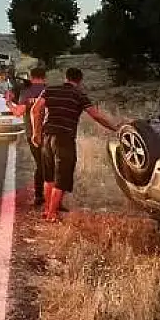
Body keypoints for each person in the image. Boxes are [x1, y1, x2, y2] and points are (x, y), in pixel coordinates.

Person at [30, 67, 120, 221]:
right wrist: (115, 128)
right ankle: (52, 214)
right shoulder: (79, 94)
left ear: (65, 78)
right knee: (62, 176)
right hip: (64, 139)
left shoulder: (50, 90)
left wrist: (36, 133)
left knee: (49, 176)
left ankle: (47, 210)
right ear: (79, 81)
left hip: (47, 136)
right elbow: (96, 115)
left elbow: (35, 110)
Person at [9, 67, 48, 207]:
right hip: (50, 133)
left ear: (31, 76)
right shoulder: (49, 90)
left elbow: (18, 112)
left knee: (40, 164)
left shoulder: (26, 91)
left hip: (32, 134)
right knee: (50, 164)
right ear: (45, 76)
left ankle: (39, 195)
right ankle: (52, 196)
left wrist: (8, 102)